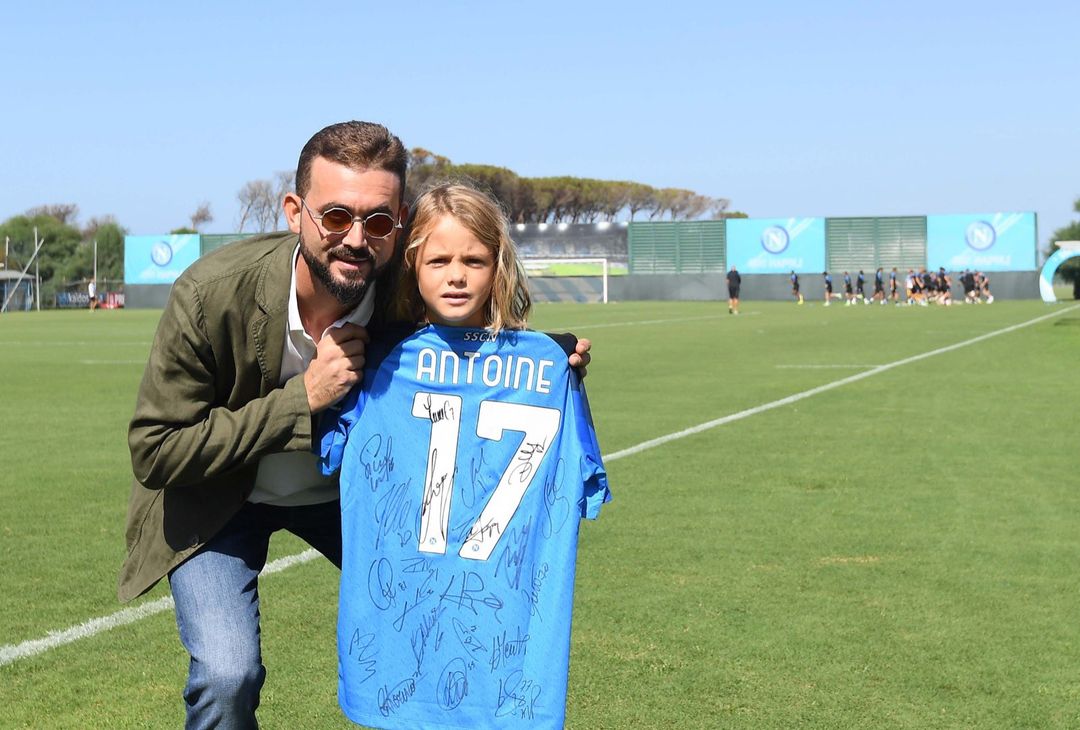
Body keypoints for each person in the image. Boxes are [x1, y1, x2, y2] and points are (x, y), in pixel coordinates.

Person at [119, 121, 592, 729]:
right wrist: (304, 399)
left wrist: (545, 355)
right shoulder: (210, 295)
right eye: (335, 216)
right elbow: (156, 452)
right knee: (226, 674)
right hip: (218, 502)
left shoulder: (408, 284)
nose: (355, 239)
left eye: (376, 221)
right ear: (295, 211)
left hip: (348, 499)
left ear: (399, 223)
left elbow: (473, 314)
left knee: (452, 611)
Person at [320, 183, 610, 729]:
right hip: (429, 617)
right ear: (413, 267)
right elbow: (589, 488)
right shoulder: (376, 362)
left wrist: (546, 355)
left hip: (489, 621)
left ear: (497, 266)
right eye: (439, 260)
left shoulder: (548, 369)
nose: (457, 275)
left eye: (474, 260)